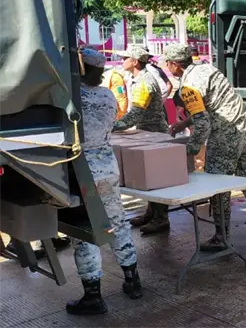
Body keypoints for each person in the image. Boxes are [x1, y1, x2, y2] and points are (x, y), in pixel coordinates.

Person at [163, 43, 246, 253]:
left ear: (174, 65)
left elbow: (204, 124)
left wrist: (189, 149)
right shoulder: (207, 68)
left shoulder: (188, 85)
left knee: (217, 187)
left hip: (226, 137)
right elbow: (210, 107)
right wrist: (183, 124)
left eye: (166, 63)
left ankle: (221, 237)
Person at [67, 47, 141, 315]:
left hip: (82, 171)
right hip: (108, 167)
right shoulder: (108, 95)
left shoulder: (73, 98)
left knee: (86, 232)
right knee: (118, 223)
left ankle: (93, 297)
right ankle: (133, 281)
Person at [113, 44, 172, 235]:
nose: (122, 61)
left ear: (135, 61)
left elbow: (137, 113)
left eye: (125, 58)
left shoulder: (145, 82)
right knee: (150, 178)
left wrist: (113, 127)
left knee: (157, 179)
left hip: (154, 135)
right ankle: (151, 213)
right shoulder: (138, 79)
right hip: (148, 133)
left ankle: (161, 219)